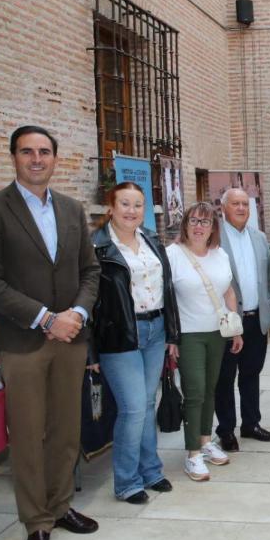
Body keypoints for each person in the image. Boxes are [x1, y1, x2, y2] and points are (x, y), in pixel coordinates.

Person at [0, 126, 100, 540]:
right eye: (27, 152)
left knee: (66, 430)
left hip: (70, 338)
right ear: (14, 158)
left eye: (44, 151)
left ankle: (60, 506)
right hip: (23, 341)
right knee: (27, 435)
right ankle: (36, 523)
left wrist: (76, 314)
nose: (37, 159)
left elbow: (90, 271)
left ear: (55, 159)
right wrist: (46, 318)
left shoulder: (70, 209)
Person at [87, 182, 180, 503]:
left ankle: (151, 471)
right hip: (119, 336)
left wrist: (172, 334)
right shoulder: (97, 247)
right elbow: (86, 301)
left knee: (148, 404)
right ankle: (127, 482)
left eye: (138, 205)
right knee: (133, 408)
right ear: (111, 208)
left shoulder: (151, 239)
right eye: (124, 204)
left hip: (156, 330)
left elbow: (167, 289)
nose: (131, 211)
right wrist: (90, 352)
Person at [166, 202, 244, 481]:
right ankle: (193, 454)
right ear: (185, 224)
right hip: (188, 334)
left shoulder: (220, 254)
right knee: (195, 391)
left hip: (216, 333)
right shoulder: (173, 255)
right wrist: (170, 337)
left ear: (213, 228)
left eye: (205, 222)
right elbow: (165, 298)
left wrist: (236, 328)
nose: (199, 227)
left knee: (210, 388)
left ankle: (205, 440)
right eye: (194, 221)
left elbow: (228, 291)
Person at [214, 187, 270, 451]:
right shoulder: (214, 237)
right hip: (229, 321)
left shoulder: (259, 237)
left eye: (244, 204)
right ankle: (226, 430)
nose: (241, 208)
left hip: (256, 318)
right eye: (235, 204)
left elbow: (269, 275)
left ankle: (251, 424)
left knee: (251, 373)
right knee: (225, 377)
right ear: (223, 208)